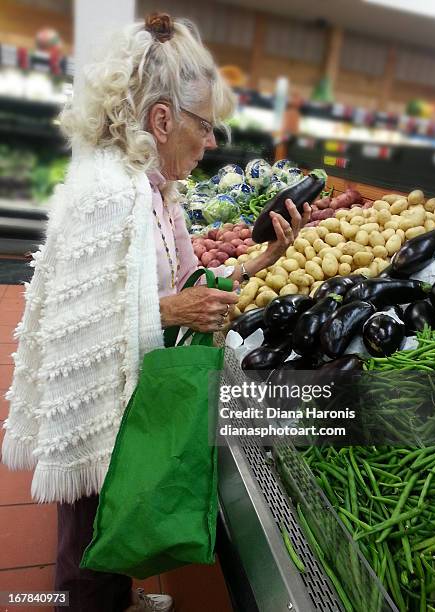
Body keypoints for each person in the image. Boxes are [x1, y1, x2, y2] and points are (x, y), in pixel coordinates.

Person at [1, 13, 311, 612]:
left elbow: (190, 282)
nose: (213, 142)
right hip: (99, 403)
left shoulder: (154, 190)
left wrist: (266, 257)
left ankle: (116, 594)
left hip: (130, 396)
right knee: (90, 533)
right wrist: (175, 308)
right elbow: (87, 322)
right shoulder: (110, 193)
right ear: (163, 119)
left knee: (121, 513)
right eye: (206, 126)